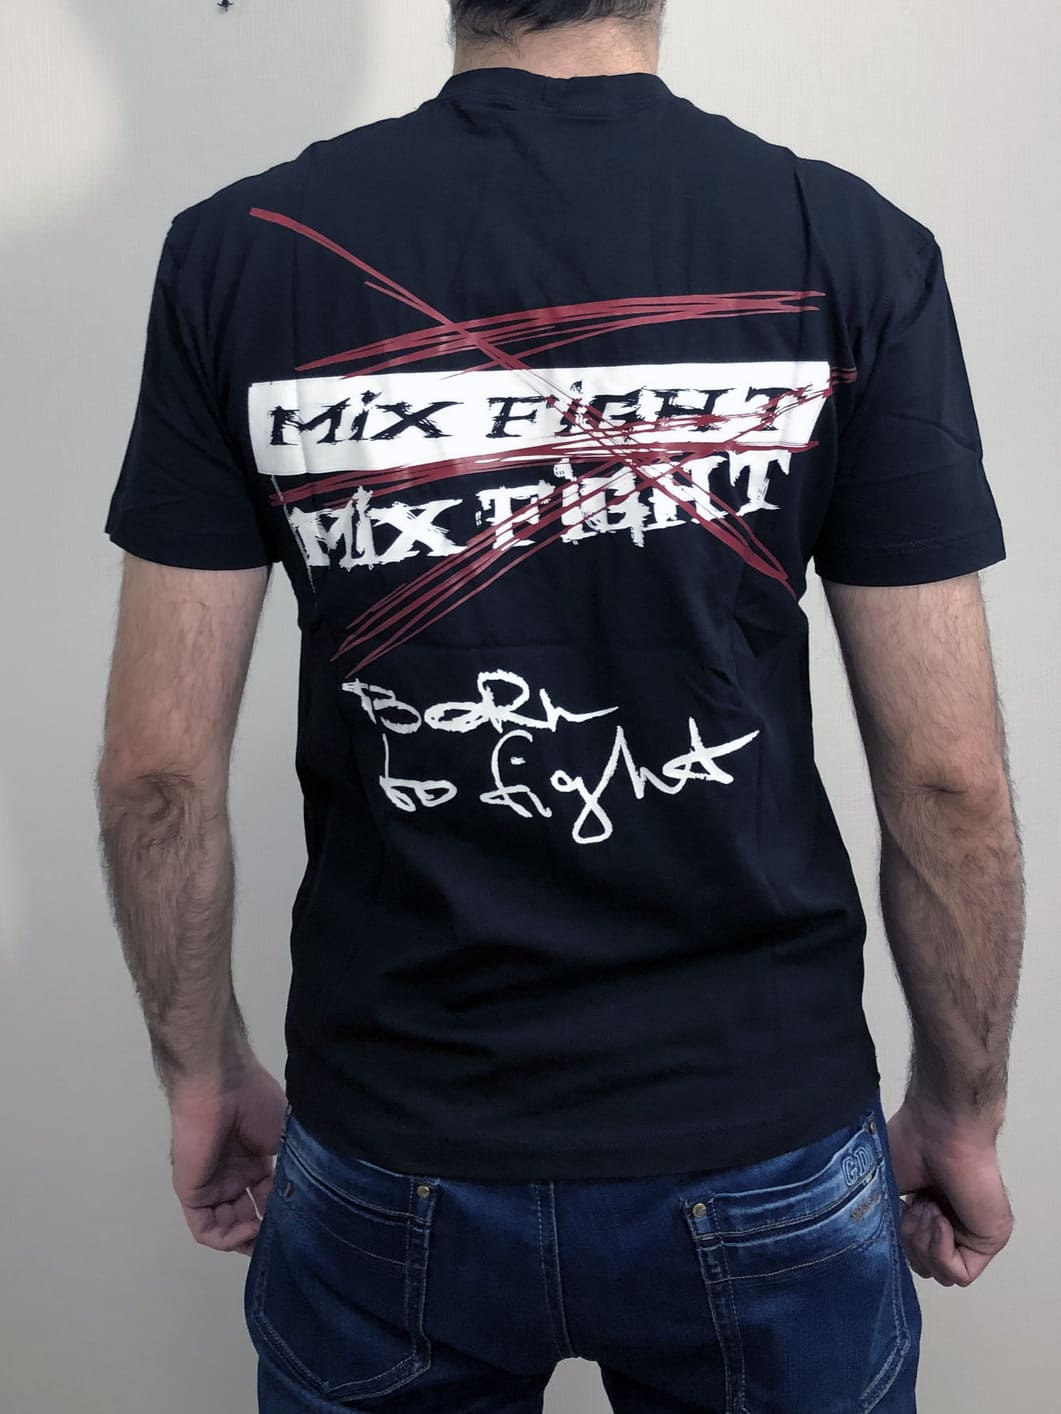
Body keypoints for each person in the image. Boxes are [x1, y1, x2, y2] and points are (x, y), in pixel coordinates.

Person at [96, 1, 1024, 1409]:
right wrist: (961, 1103)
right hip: (758, 1135)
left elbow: (156, 771)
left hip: (394, 1138)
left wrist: (198, 1069)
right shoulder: (845, 245)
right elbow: (949, 778)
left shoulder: (243, 253)